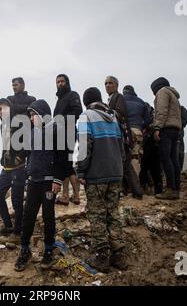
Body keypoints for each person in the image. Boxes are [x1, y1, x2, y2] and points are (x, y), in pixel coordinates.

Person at [14, 99, 67, 271]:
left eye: (33, 115)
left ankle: (49, 250)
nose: (31, 119)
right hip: (33, 181)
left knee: (48, 215)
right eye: (30, 115)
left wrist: (58, 180)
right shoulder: (34, 132)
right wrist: (18, 156)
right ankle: (24, 250)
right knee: (28, 215)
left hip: (48, 183)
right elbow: (27, 150)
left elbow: (62, 157)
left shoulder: (56, 131)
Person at [76, 87, 125, 273]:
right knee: (113, 213)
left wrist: (81, 171)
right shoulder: (113, 116)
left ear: (85, 102)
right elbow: (122, 148)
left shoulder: (86, 116)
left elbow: (84, 147)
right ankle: (119, 255)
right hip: (116, 172)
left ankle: (102, 257)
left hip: (97, 175)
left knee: (97, 215)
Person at [0, 78, 36, 238]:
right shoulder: (1, 125)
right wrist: (3, 158)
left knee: (17, 201)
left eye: (2, 109)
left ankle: (18, 231)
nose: (0, 112)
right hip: (6, 168)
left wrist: (21, 157)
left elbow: (29, 142)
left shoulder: (19, 122)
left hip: (18, 167)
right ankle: (8, 224)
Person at [105, 76, 143, 199]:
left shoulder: (118, 97)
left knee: (126, 164)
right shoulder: (111, 98)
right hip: (118, 136)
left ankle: (135, 191)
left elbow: (119, 113)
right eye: (106, 83)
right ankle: (129, 191)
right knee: (124, 164)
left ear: (116, 85)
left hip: (121, 136)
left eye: (110, 83)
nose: (107, 85)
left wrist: (105, 113)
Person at [53, 74, 83, 205]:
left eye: (62, 81)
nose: (60, 84)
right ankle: (71, 196)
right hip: (60, 134)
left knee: (66, 164)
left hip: (69, 133)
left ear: (67, 82)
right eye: (58, 82)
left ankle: (69, 196)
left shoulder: (72, 95)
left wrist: (61, 120)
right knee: (66, 164)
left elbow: (78, 111)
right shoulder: (59, 99)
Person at [150, 77, 182, 199]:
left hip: (166, 129)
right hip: (175, 129)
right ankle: (176, 188)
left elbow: (161, 111)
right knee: (174, 159)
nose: (153, 94)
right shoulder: (174, 95)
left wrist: (157, 128)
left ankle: (170, 189)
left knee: (165, 158)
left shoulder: (162, 92)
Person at [122, 85, 152, 176]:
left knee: (122, 157)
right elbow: (148, 121)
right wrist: (140, 126)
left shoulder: (120, 100)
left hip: (123, 132)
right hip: (137, 131)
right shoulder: (141, 102)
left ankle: (124, 186)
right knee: (135, 157)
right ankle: (135, 184)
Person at [139, 105, 163, 195]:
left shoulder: (150, 119)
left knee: (147, 167)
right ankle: (156, 189)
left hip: (151, 145)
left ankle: (148, 188)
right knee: (152, 168)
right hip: (152, 145)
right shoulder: (152, 117)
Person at [179, 105, 187, 172]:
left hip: (179, 135)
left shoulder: (181, 108)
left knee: (179, 153)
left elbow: (184, 122)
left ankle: (179, 171)